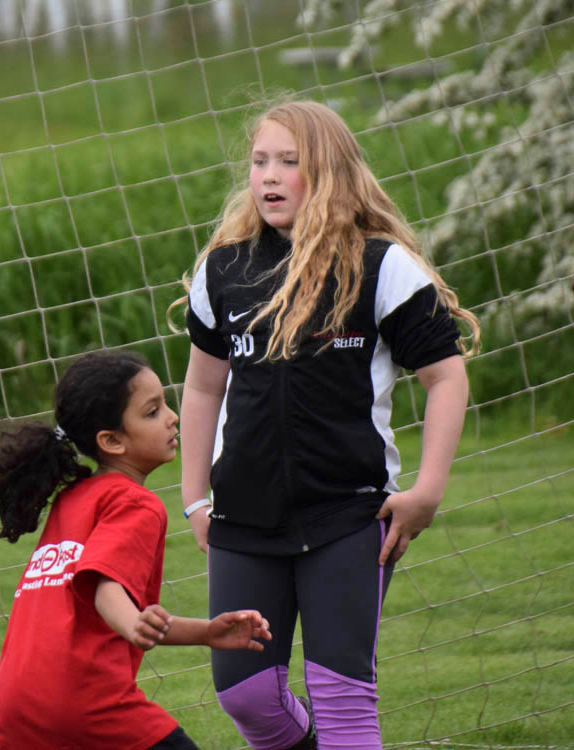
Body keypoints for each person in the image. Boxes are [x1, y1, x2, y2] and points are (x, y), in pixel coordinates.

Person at [172, 99, 480, 749]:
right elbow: (202, 387)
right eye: (260, 162)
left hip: (351, 516)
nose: (270, 176)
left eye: (290, 161)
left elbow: (446, 377)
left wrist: (426, 491)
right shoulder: (223, 270)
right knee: (247, 696)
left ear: (331, 172)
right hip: (244, 520)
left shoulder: (380, 265)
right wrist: (195, 496)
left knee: (342, 702)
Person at [0, 350, 273, 750]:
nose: (172, 417)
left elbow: (97, 607)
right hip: (84, 702)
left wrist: (206, 632)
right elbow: (105, 588)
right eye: (151, 412)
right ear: (111, 441)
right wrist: (132, 625)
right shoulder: (136, 504)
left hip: (13, 706)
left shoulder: (72, 500)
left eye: (166, 403)